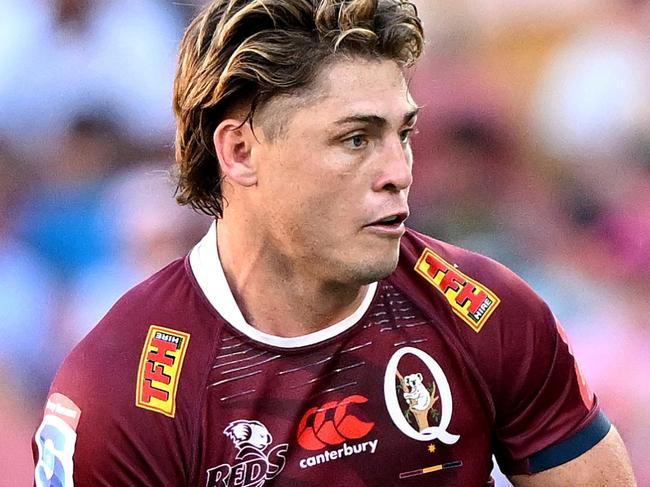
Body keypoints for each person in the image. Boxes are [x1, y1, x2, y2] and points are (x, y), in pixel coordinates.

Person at [32, 0, 637, 485]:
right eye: (355, 139)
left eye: (404, 132)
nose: (398, 169)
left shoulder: (486, 313)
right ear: (241, 152)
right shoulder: (120, 393)